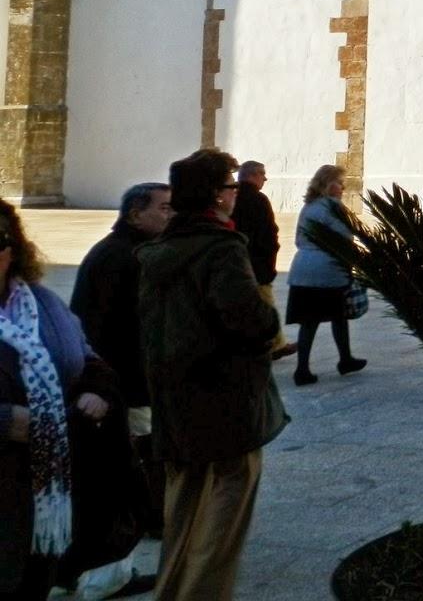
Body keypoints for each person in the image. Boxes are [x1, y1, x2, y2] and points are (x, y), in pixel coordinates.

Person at [138, 149, 286, 601]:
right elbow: (247, 318)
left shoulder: (157, 251)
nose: (235, 193)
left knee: (182, 506)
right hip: (226, 399)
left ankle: (172, 591)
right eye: (230, 185)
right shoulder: (221, 248)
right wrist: (268, 327)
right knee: (227, 506)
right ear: (215, 196)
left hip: (176, 399)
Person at [1, 202, 123, 601]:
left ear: (13, 248)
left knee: (33, 577)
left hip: (44, 482)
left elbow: (86, 358)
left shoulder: (41, 303)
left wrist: (97, 389)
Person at [69, 182, 172, 552]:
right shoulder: (121, 256)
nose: (170, 213)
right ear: (134, 214)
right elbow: (104, 325)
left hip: (131, 374)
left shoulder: (132, 250)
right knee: (145, 448)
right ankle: (151, 516)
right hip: (126, 376)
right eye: (162, 208)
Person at [286, 165, 365, 387]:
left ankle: (304, 368)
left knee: (309, 322)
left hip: (303, 268)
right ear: (330, 184)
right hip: (327, 270)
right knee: (338, 316)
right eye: (340, 183)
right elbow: (344, 235)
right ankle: (344, 359)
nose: (342, 188)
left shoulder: (309, 206)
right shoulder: (332, 207)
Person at [230, 162, 292, 361]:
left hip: (237, 260)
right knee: (266, 304)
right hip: (257, 263)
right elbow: (268, 233)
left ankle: (274, 342)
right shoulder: (257, 199)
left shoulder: (231, 197)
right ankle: (275, 344)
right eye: (262, 174)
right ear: (253, 175)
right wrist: (269, 258)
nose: (265, 179)